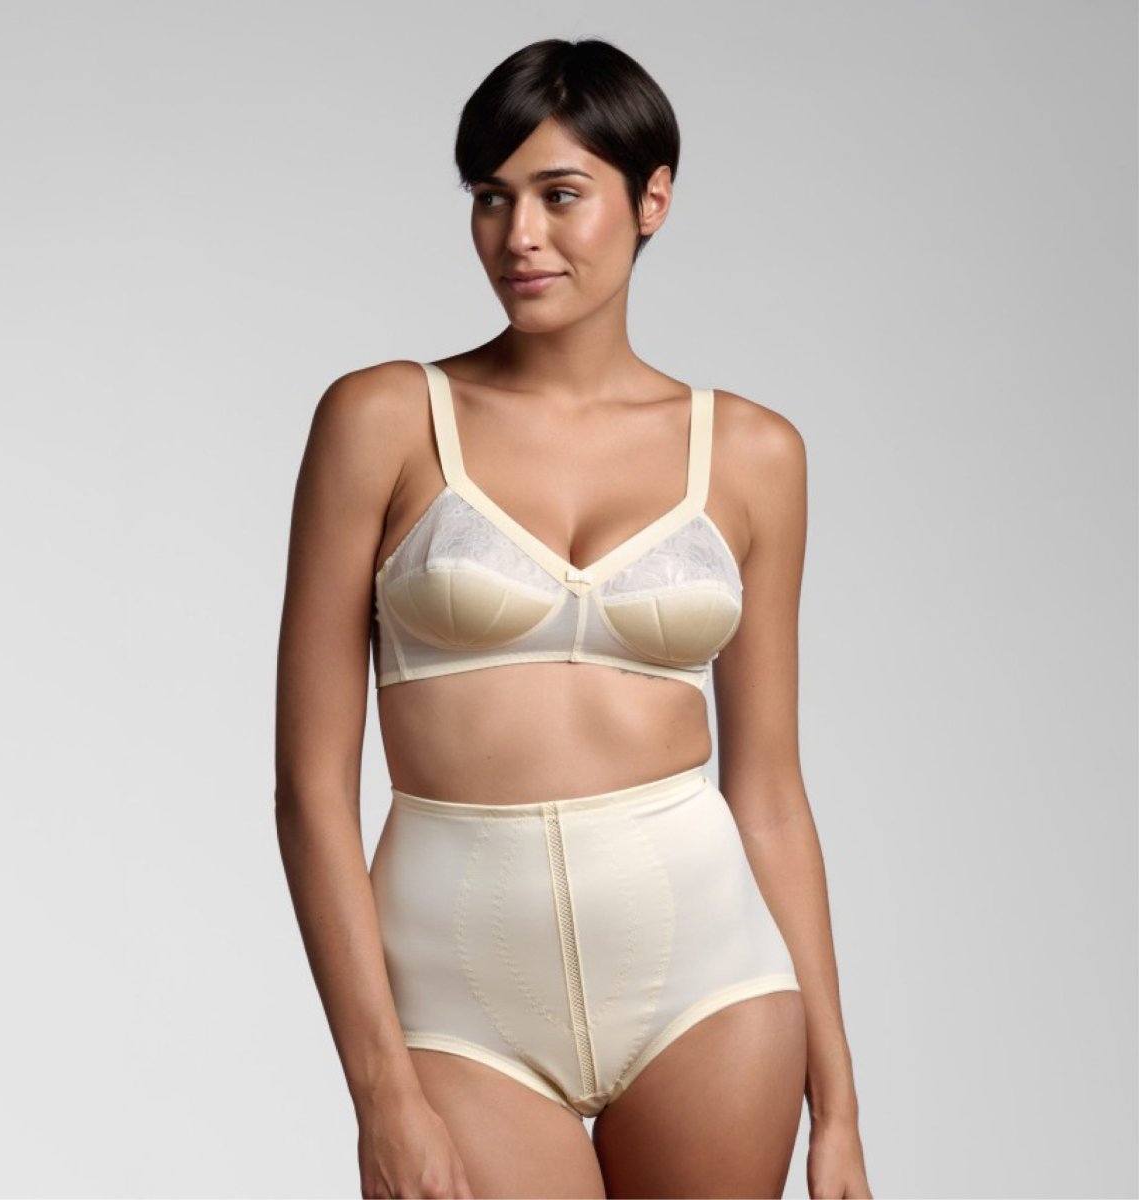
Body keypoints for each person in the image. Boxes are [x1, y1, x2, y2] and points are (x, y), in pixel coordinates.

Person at [275, 36, 872, 1200]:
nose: (519, 237)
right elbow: (309, 791)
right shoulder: (383, 420)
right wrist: (381, 1093)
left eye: (560, 195)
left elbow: (769, 793)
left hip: (712, 986)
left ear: (653, 200)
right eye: (491, 197)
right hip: (457, 1005)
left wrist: (840, 1107)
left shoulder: (753, 454)